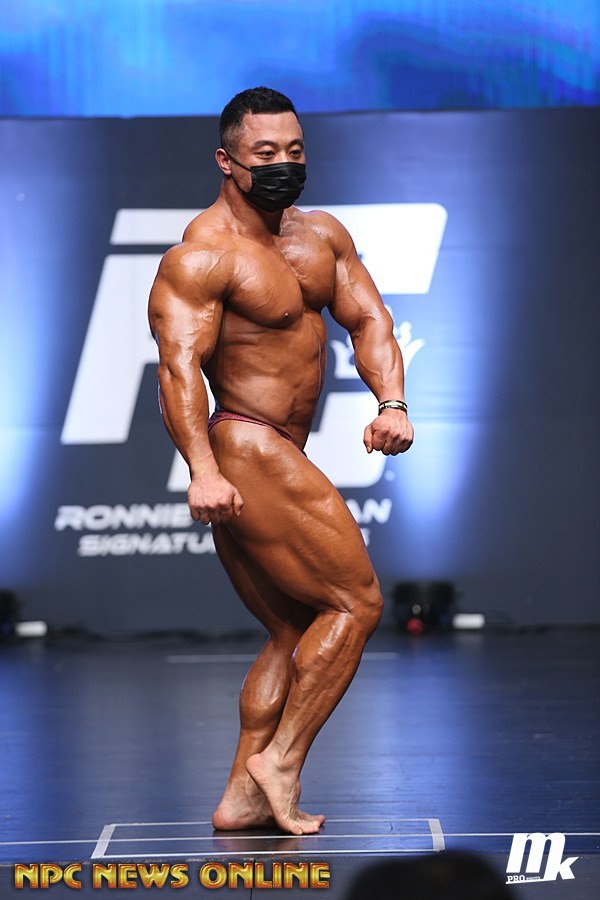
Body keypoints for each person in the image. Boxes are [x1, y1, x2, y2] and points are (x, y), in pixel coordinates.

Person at [148, 86, 413, 836]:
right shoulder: (201, 254)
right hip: (244, 443)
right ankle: (283, 761)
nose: (283, 164)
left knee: (294, 630)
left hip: (277, 449)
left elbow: (370, 319)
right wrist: (203, 468)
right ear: (226, 160)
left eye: (294, 151)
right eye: (265, 153)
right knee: (356, 604)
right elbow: (178, 370)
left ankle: (241, 794)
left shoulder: (321, 236)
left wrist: (392, 401)